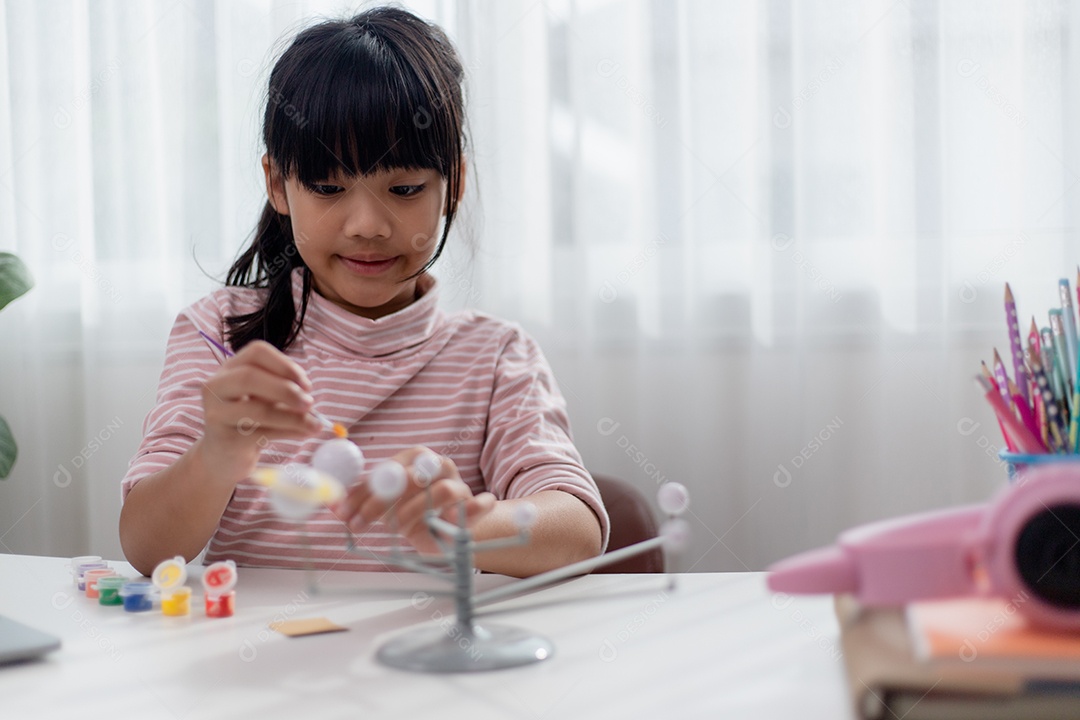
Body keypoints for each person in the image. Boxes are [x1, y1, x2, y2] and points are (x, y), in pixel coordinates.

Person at [118, 6, 607, 578]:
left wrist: (471, 528)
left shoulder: (496, 356)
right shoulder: (219, 333)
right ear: (278, 184)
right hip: (263, 661)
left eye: (403, 188)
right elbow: (146, 547)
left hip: (428, 663)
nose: (367, 225)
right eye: (328, 187)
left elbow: (577, 531)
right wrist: (216, 456)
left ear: (455, 184)